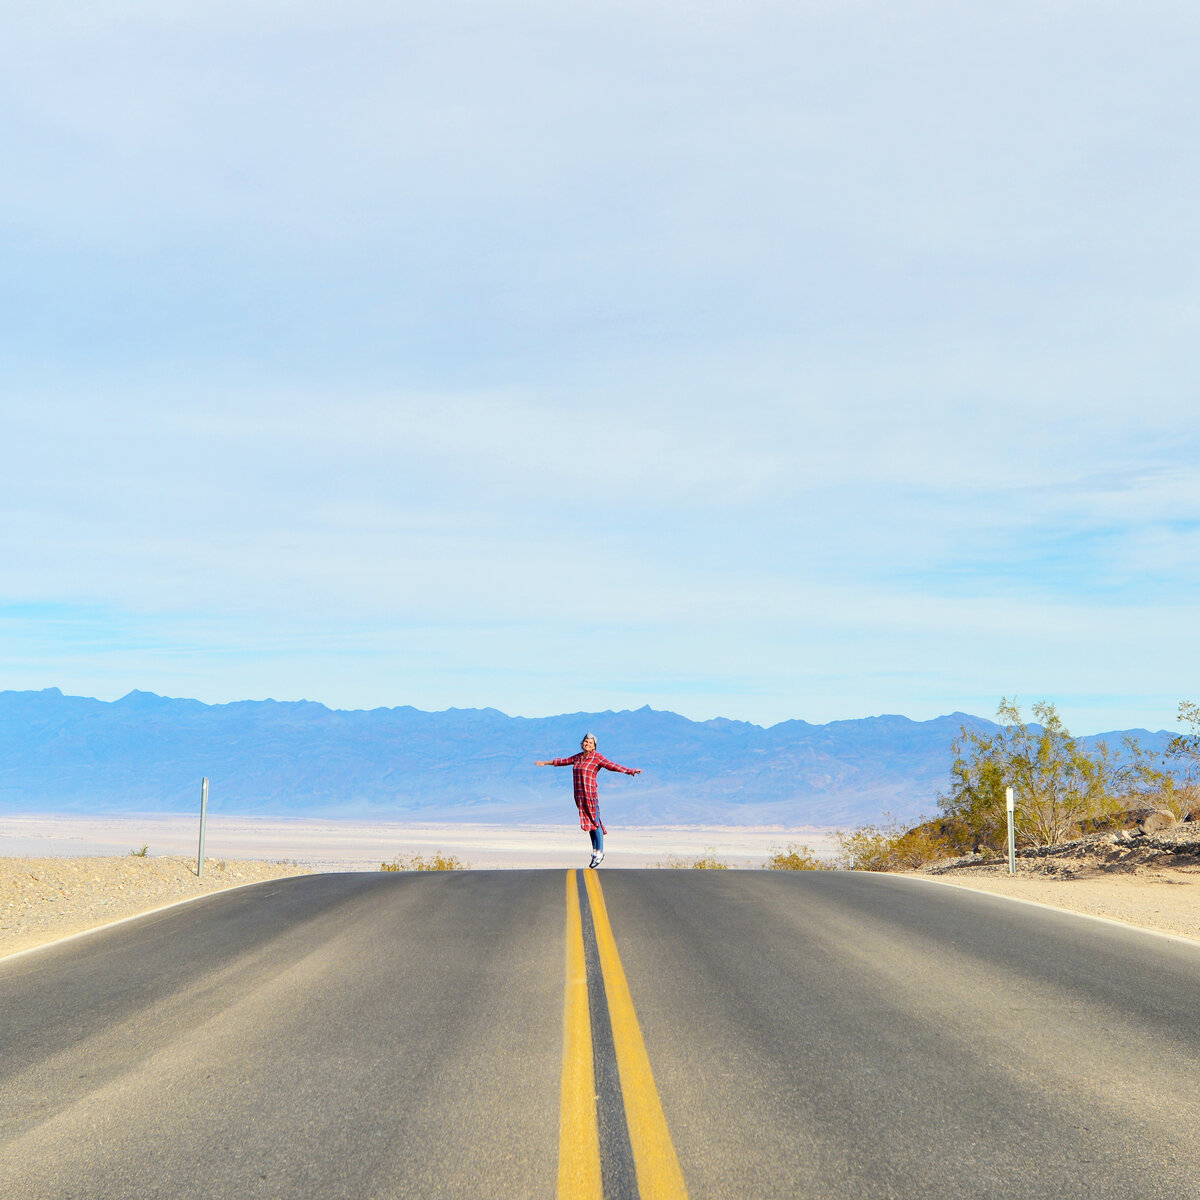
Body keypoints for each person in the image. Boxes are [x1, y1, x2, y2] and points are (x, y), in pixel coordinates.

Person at [535, 733, 641, 868]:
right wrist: (545, 763)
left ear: (594, 746)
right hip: (580, 796)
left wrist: (630, 771)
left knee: (595, 822)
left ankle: (600, 852)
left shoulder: (597, 757)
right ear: (582, 743)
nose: (587, 744)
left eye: (590, 743)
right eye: (586, 741)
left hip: (590, 795)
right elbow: (563, 761)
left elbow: (612, 765)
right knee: (590, 824)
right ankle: (595, 851)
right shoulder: (578, 757)